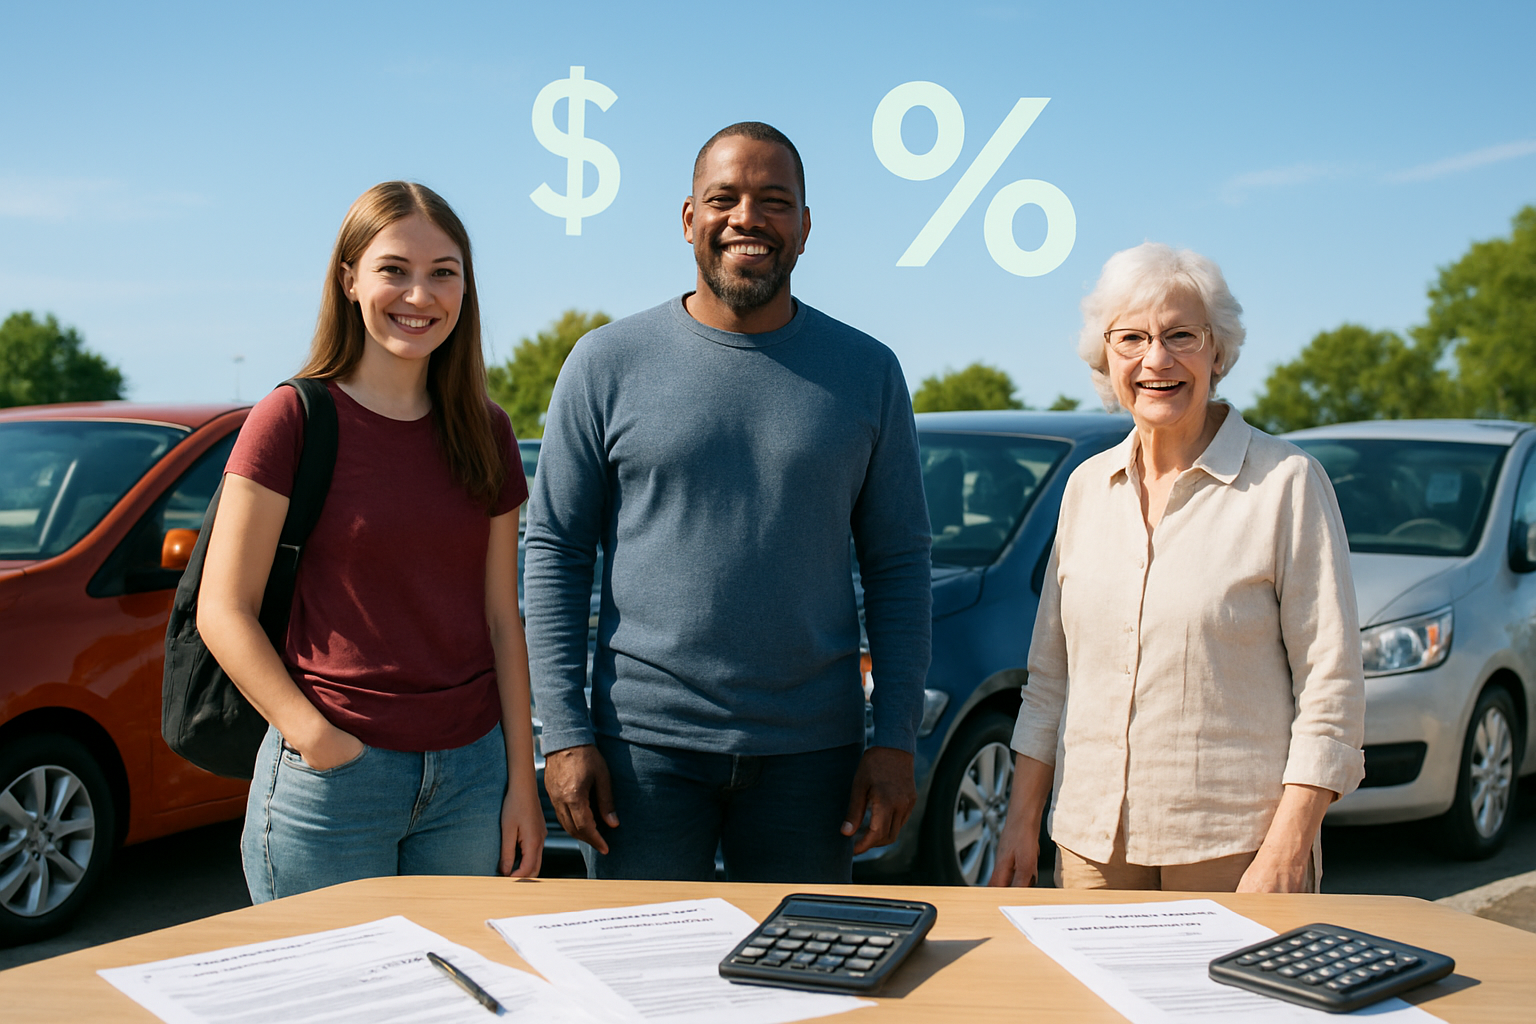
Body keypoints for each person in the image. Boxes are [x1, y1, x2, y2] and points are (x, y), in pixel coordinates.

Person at [524, 122, 932, 882]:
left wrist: (895, 739)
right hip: (640, 754)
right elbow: (554, 551)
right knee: (641, 982)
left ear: (805, 228)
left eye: (775, 201)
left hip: (814, 758)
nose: (749, 218)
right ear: (689, 220)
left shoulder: (867, 371)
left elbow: (900, 564)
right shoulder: (605, 363)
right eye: (725, 198)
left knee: (799, 987)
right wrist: (567, 734)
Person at [199, 181, 545, 902]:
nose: (419, 294)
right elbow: (222, 609)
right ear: (350, 277)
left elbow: (500, 621)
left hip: (471, 780)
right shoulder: (291, 417)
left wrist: (521, 782)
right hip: (335, 779)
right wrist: (319, 741)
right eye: (395, 269)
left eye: (443, 272)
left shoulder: (489, 432)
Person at [989, 242, 1365, 892]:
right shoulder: (1084, 489)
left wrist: (1286, 851)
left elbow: (1331, 689)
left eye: (1180, 335)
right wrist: (1021, 819)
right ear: (1105, 356)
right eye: (1131, 337)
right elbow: (1050, 680)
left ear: (1217, 352)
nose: (1156, 360)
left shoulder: (1287, 484)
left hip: (1235, 849)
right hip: (1088, 845)